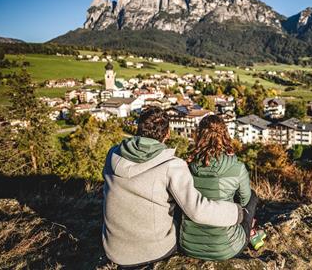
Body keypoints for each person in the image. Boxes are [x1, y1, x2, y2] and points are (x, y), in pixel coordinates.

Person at [102, 107, 243, 268]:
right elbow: (197, 210)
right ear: (167, 134)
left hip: (114, 249)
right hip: (153, 251)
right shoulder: (172, 165)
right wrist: (236, 213)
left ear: (138, 129)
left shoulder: (113, 154)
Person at [180, 115, 266, 261]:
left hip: (188, 246)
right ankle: (250, 231)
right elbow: (245, 202)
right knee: (252, 196)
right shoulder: (237, 168)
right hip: (225, 248)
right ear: (225, 135)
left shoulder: (186, 167)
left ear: (199, 136)